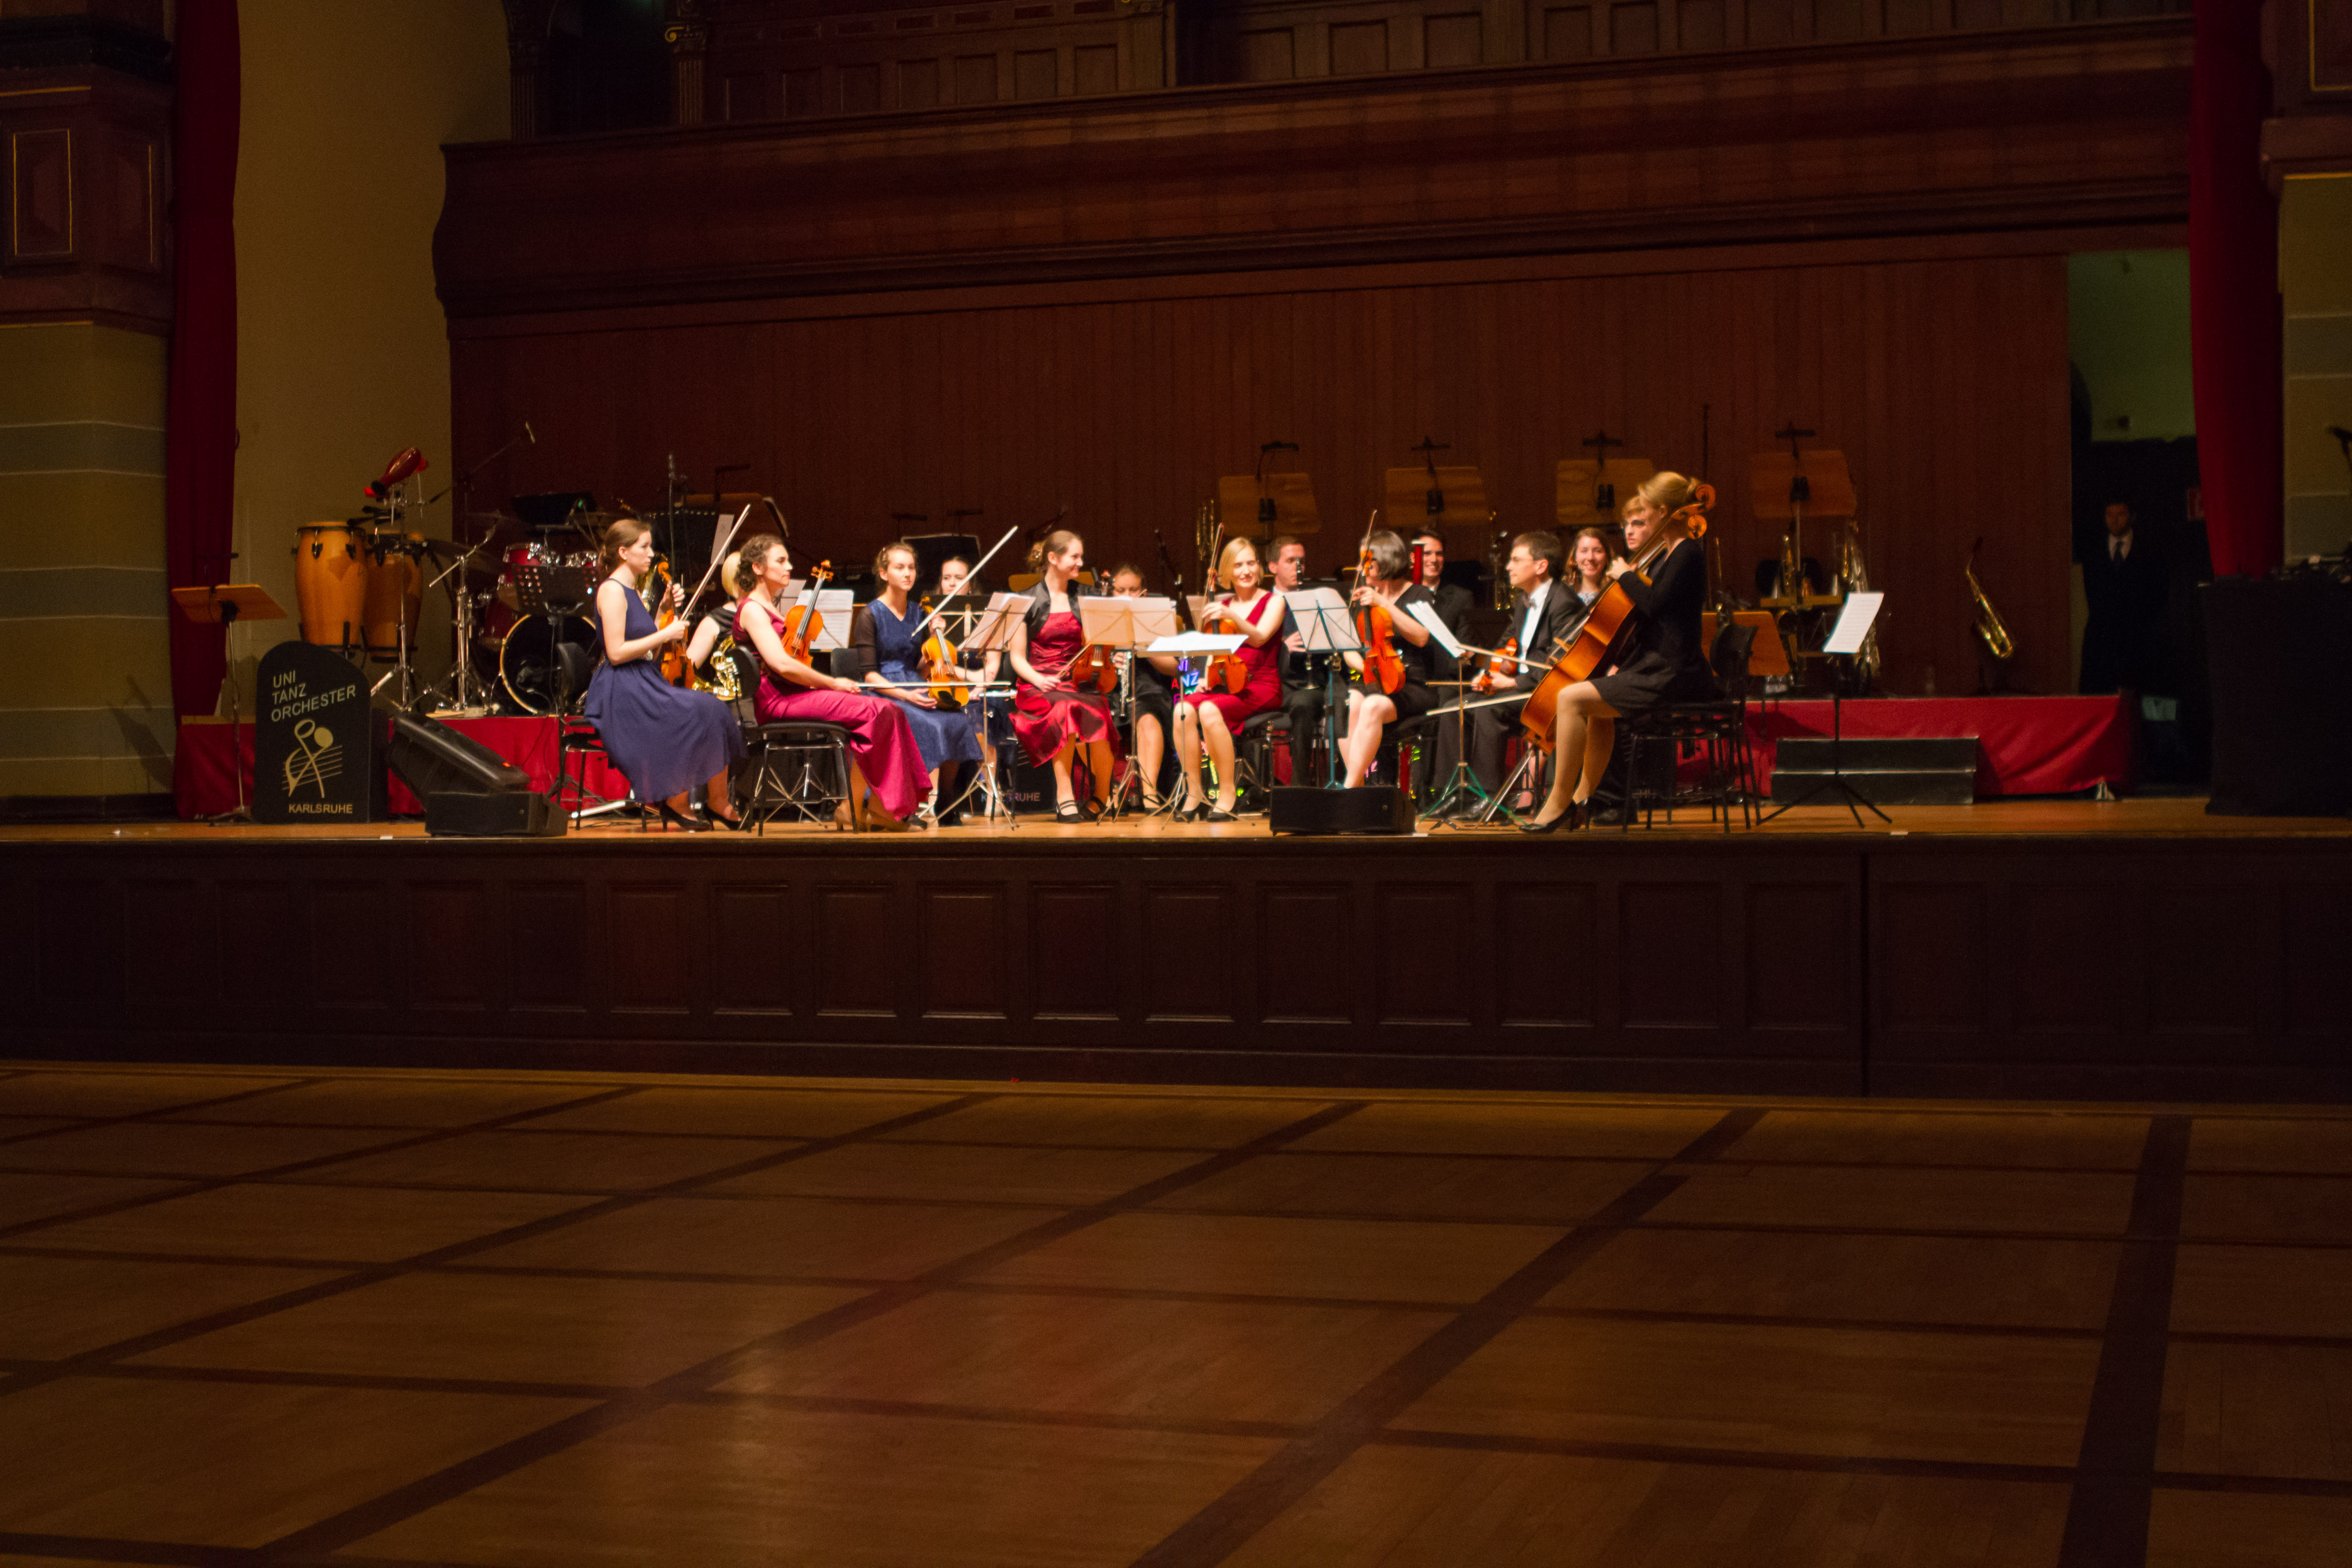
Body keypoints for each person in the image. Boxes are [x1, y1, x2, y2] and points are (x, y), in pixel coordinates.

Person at [1524, 472, 1714, 833]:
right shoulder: (1666, 555)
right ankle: (1582, 801)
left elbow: (1654, 604)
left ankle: (1558, 803)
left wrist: (1626, 575)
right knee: (1596, 709)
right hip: (1654, 665)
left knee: (1570, 698)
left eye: (1645, 509)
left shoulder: (1688, 552)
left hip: (1674, 671)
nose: (1641, 516)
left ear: (1662, 511)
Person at [735, 533, 929, 831]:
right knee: (879, 710)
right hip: (777, 701)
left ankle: (857, 807)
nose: (789, 567)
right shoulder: (752, 609)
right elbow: (781, 664)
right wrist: (832, 683)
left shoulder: (772, 607)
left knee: (888, 710)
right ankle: (868, 808)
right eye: (781, 561)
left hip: (794, 694)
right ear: (758, 568)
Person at [583, 517, 745, 831]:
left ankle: (717, 800)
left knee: (711, 707)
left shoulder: (632, 590)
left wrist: (662, 612)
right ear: (623, 552)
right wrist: (665, 633)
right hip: (622, 689)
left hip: (643, 680)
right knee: (692, 711)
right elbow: (616, 653)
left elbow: (650, 653)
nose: (651, 553)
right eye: (644, 547)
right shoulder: (612, 591)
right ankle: (676, 801)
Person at [1437, 529, 1580, 813]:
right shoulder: (1525, 600)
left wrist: (1513, 683)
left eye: (1516, 560)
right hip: (1520, 687)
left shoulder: (1564, 603)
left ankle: (1489, 795)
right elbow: (1505, 644)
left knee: (1487, 709)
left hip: (1543, 692)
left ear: (1541, 566)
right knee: (1454, 708)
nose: (1508, 567)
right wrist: (1487, 674)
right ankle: (1456, 792)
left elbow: (1559, 663)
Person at [853, 542, 986, 825]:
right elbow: (869, 676)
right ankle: (903, 806)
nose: (907, 573)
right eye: (899, 568)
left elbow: (921, 668)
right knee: (926, 724)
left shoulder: (920, 612)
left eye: (911, 568)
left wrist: (937, 639)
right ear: (884, 573)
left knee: (956, 720)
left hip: (914, 683)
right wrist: (907, 696)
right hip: (883, 691)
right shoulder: (870, 615)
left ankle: (946, 800)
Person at [1008, 528, 1121, 822]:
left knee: (1099, 709)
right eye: (1075, 557)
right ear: (1053, 558)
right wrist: (1038, 679)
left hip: (1076, 681)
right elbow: (1017, 658)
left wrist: (1114, 648)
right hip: (1037, 685)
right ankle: (1065, 796)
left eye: (1081, 557)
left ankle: (1102, 796)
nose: (1080, 563)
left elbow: (1105, 638)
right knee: (1066, 708)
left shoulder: (1086, 596)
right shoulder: (1026, 600)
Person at [1172, 537, 1286, 821]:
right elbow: (1210, 648)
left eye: (1251, 563)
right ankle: (1194, 793)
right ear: (1227, 572)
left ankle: (1227, 793)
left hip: (1260, 684)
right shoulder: (1221, 604)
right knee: (1182, 710)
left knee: (1210, 710)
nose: (1246, 571)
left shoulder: (1274, 601)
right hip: (1225, 681)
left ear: (1259, 567)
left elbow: (1259, 638)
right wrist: (1204, 675)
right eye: (1238, 565)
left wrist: (1231, 615)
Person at [1337, 529, 1443, 789]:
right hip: (1375, 677)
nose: (1360, 568)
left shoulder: (1419, 594)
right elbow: (1348, 648)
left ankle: (1350, 790)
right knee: (1348, 703)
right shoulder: (1362, 597)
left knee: (1372, 706)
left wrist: (1384, 603)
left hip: (1412, 683)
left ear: (1384, 560)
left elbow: (1422, 637)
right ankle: (1358, 788)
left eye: (1366, 561)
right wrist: (1368, 667)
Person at [1108, 564, 1177, 811]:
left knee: (1147, 716)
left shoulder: (1155, 618)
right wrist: (1109, 660)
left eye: (1133, 590)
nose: (1127, 596)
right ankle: (1105, 792)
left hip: (1147, 688)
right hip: (1110, 687)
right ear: (1111, 592)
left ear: (1144, 593)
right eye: (1120, 590)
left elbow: (1176, 667)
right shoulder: (1101, 617)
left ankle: (1150, 793)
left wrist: (1146, 649)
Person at [2079, 500, 2165, 694]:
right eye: (2109, 514)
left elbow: (2155, 598)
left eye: (2121, 514)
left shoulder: (2148, 552)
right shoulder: (2094, 553)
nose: (2114, 520)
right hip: (2101, 641)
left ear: (2131, 517)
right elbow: (2093, 598)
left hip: (2137, 639)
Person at [1267, 534, 1329, 788]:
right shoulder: (1262, 603)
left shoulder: (1316, 602)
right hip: (1270, 682)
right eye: (1291, 561)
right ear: (1273, 567)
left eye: (1301, 562)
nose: (1298, 567)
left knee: (1304, 705)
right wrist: (1284, 647)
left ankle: (1299, 787)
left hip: (1305, 684)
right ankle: (1254, 785)